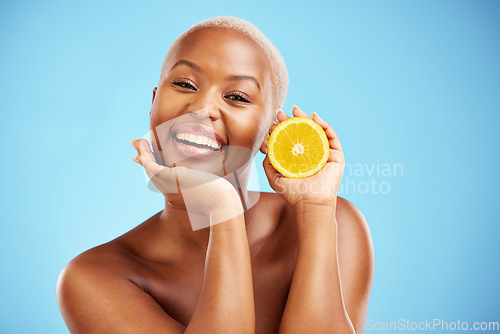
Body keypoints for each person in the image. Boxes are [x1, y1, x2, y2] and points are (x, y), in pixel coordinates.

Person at [56, 16, 374, 334]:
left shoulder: (335, 223)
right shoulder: (92, 277)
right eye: (185, 84)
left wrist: (316, 211)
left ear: (269, 134)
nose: (203, 107)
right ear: (153, 103)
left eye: (237, 97)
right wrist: (223, 210)